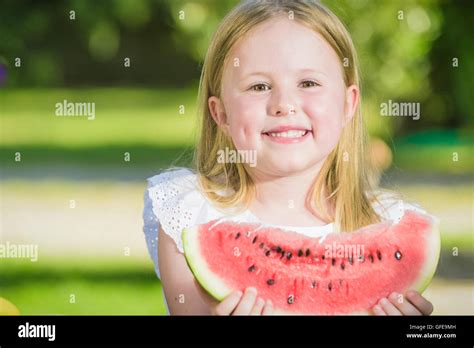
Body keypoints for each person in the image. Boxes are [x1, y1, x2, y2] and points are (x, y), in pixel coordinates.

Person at [143, 0, 435, 316]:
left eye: (308, 83)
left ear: (348, 104)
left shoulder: (387, 223)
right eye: (259, 86)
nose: (285, 104)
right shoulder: (191, 212)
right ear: (221, 113)